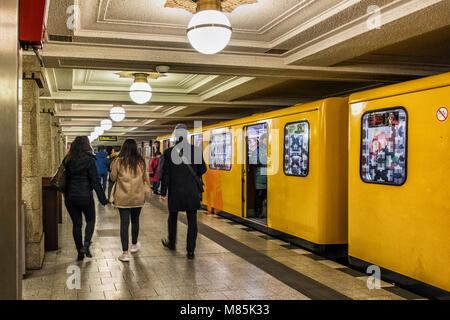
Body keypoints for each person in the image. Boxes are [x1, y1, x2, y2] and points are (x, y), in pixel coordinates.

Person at [160, 124, 207, 260]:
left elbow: (166, 174)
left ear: (175, 136)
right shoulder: (196, 151)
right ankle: (190, 251)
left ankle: (172, 243)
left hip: (175, 192)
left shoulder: (169, 153)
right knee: (192, 221)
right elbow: (203, 169)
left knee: (172, 217)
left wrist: (163, 192)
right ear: (186, 135)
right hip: (191, 191)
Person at [62, 136, 108, 261]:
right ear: (87, 145)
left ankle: (79, 251)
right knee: (90, 220)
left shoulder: (67, 159)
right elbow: (95, 181)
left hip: (70, 197)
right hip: (85, 197)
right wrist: (103, 199)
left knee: (76, 224)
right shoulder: (89, 160)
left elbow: (63, 179)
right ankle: (87, 243)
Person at [110, 139, 150, 262]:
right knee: (136, 220)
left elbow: (112, 178)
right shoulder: (141, 162)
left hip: (122, 197)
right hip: (138, 197)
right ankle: (134, 245)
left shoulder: (118, 162)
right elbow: (145, 178)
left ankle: (125, 253)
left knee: (124, 223)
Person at [253, 133, 267, 218]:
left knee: (266, 195)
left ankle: (264, 212)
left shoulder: (270, 149)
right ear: (261, 141)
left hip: (268, 175)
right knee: (259, 194)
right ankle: (258, 212)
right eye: (266, 140)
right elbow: (255, 161)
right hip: (260, 176)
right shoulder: (257, 151)